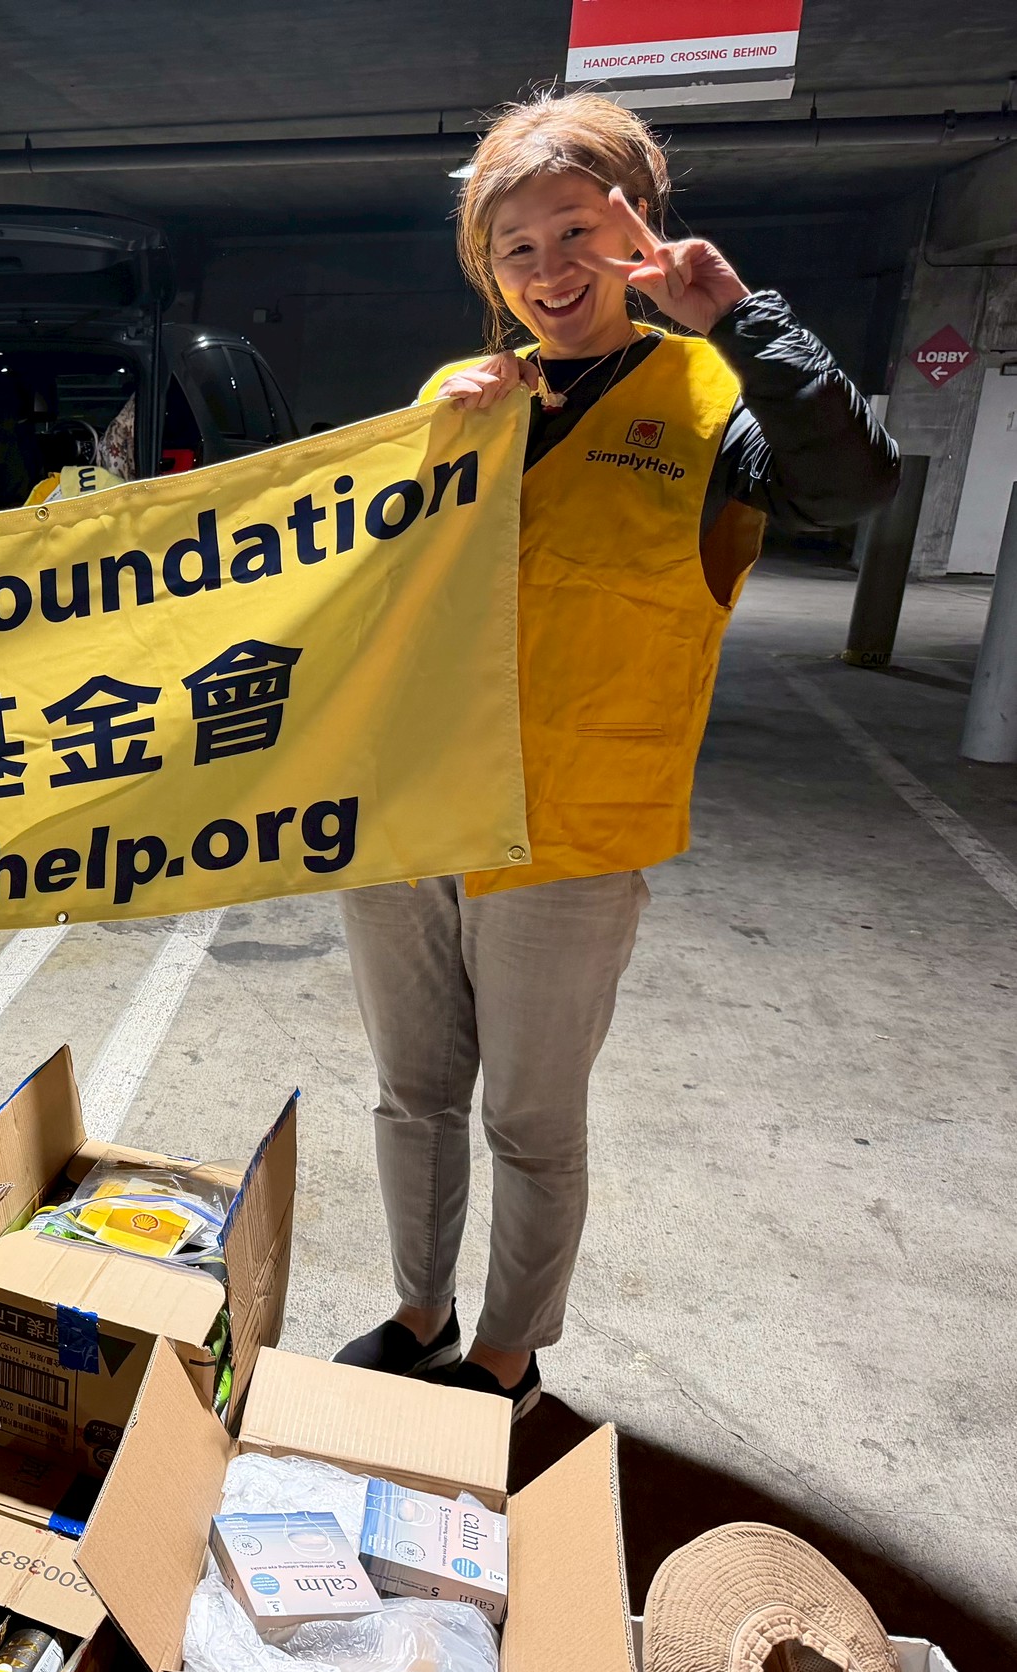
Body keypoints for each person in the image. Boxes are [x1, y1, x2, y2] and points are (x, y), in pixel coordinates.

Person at [332, 93, 898, 1415]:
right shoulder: (459, 396)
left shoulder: (712, 398)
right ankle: (420, 1312)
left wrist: (739, 319)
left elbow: (852, 483)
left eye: (576, 232)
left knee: (530, 1121)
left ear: (640, 227)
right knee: (413, 1095)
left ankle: (508, 1351)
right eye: (516, 249)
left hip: (572, 831)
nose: (550, 271)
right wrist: (426, 445)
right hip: (410, 812)